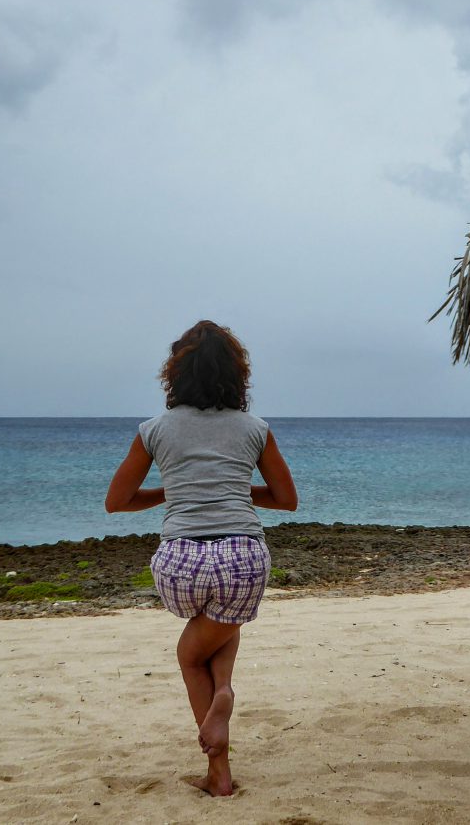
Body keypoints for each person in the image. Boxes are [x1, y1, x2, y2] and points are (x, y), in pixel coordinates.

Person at [105, 320, 297, 796]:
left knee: (195, 651)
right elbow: (286, 499)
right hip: (242, 556)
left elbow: (118, 501)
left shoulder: (154, 430)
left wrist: (176, 489)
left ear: (176, 374)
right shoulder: (256, 429)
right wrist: (230, 488)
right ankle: (225, 694)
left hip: (181, 560)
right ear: (237, 375)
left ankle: (219, 773)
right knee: (223, 621)